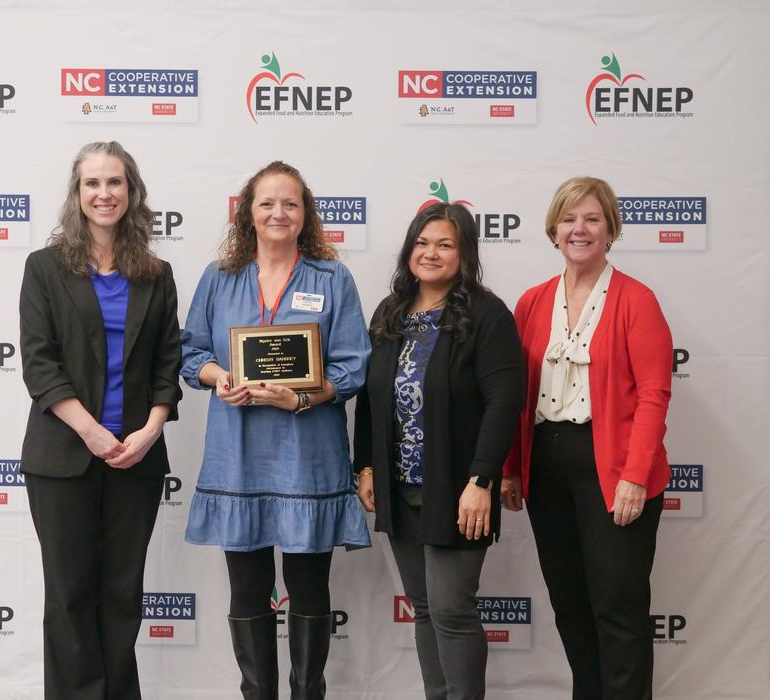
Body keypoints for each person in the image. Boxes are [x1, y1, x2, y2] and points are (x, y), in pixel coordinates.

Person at [180, 160, 371, 699]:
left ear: (305, 213)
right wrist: (219, 377)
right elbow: (191, 352)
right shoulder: (219, 278)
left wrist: (302, 397)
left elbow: (354, 365)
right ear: (249, 213)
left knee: (309, 590)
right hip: (237, 456)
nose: (278, 213)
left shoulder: (333, 278)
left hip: (307, 456)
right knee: (247, 591)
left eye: (290, 203)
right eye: (267, 203)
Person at [19, 141, 182, 700]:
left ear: (131, 192)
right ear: (77, 193)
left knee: (121, 594)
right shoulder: (44, 268)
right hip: (63, 460)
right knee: (69, 596)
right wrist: (92, 431)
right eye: (93, 183)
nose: (104, 193)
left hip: (135, 460)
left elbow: (168, 364)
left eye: (115, 182)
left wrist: (150, 429)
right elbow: (39, 364)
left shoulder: (156, 274)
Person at [501, 177, 672, 700]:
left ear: (610, 230)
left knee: (616, 608)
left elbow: (654, 396)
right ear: (554, 230)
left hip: (615, 467)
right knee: (571, 606)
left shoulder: (637, 300)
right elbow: (515, 394)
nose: (580, 229)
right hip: (548, 467)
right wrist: (510, 467)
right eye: (570, 219)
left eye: (593, 219)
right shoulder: (531, 302)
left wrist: (635, 477)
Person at [354, 202, 523, 700]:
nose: (431, 253)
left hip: (459, 488)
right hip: (400, 486)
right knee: (424, 608)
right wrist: (365, 464)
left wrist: (482, 481)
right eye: (422, 243)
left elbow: (504, 401)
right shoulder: (391, 312)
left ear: (464, 253)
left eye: (445, 244)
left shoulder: (486, 315)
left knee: (452, 610)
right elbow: (370, 396)